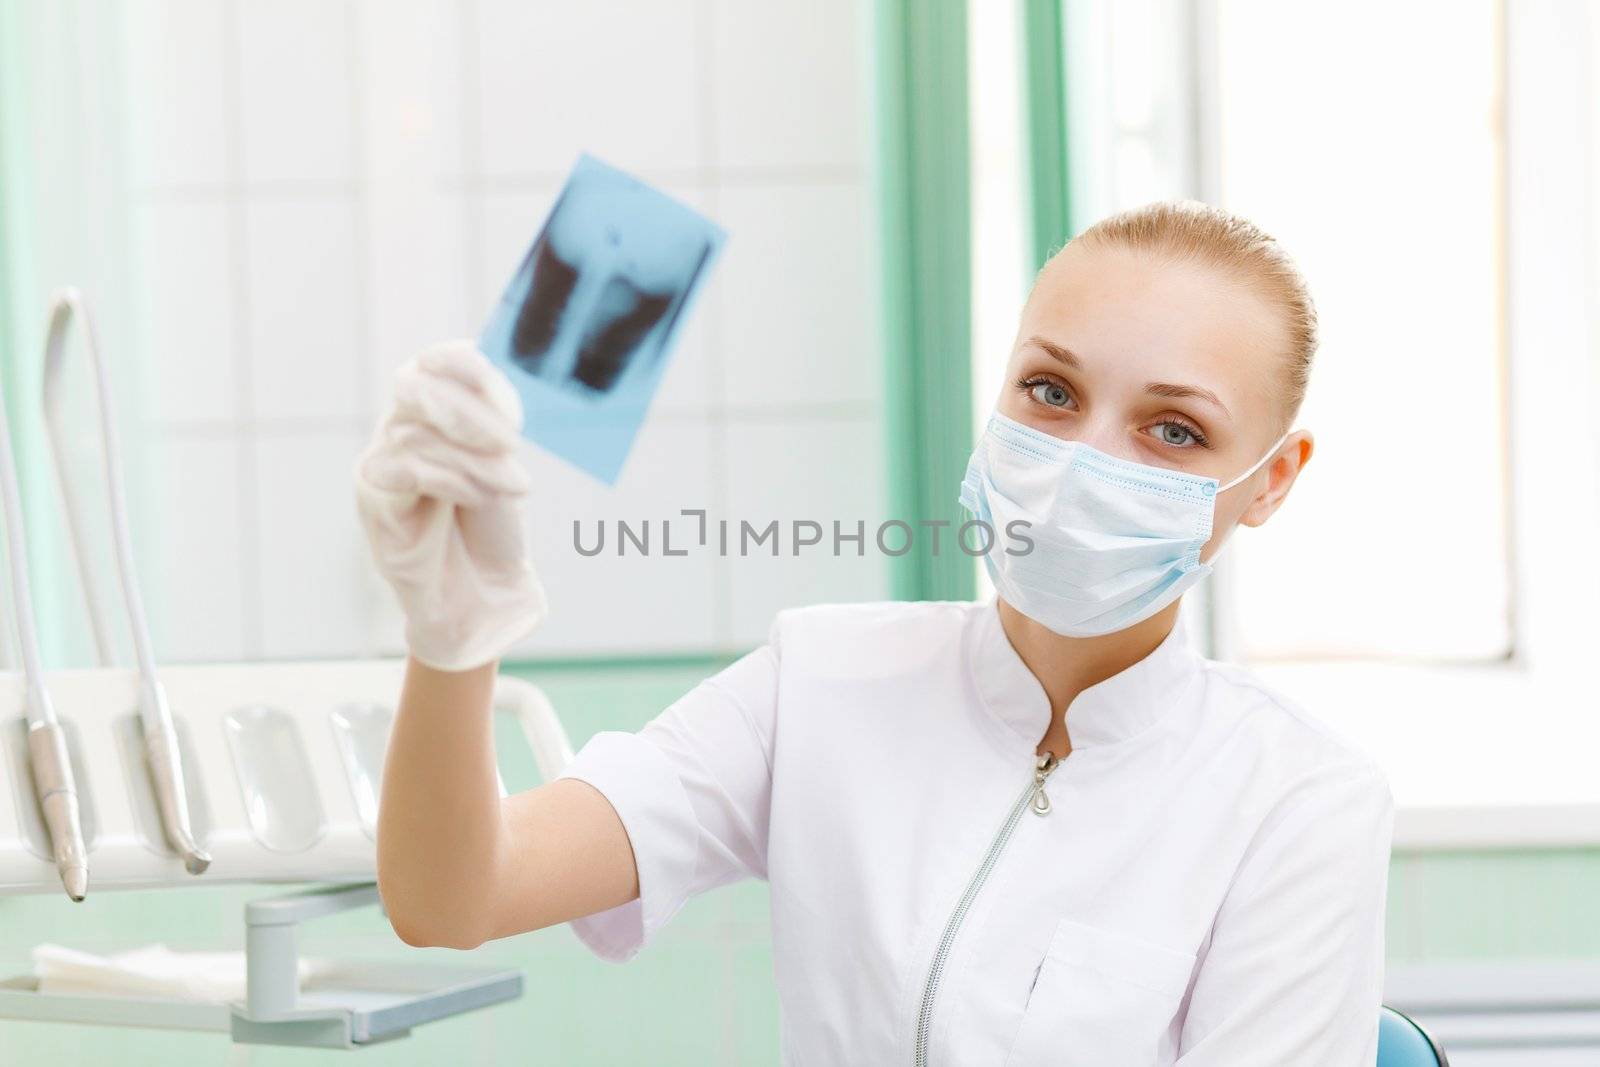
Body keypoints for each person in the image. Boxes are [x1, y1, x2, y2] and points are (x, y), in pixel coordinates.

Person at [353, 201, 1393, 1066]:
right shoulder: (820, 682)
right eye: (1051, 390)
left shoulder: (1295, 801)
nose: (1081, 458)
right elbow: (456, 893)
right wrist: (453, 641)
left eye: (1174, 430)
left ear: (1272, 479)